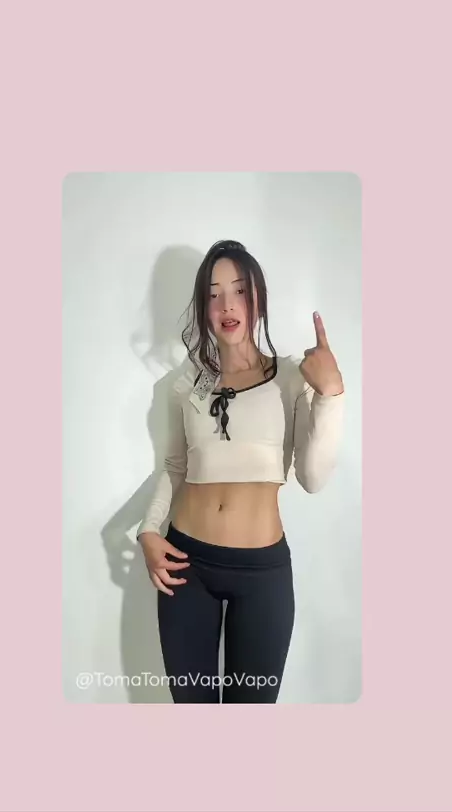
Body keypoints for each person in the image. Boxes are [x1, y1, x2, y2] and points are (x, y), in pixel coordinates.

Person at [136, 239, 344, 703]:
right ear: (202, 307)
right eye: (213, 294)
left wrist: (330, 394)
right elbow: (174, 466)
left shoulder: (293, 377)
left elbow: (312, 479)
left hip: (262, 573)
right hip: (185, 566)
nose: (227, 305)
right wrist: (149, 531)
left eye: (239, 291)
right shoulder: (191, 384)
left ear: (258, 298)